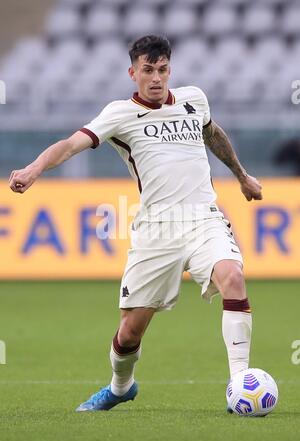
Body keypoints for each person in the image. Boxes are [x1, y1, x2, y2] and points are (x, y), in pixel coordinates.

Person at [9, 35, 262, 412]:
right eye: (148, 70)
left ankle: (241, 384)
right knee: (129, 332)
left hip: (203, 217)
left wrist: (241, 175)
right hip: (156, 229)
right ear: (133, 73)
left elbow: (213, 134)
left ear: (170, 70)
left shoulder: (195, 99)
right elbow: (69, 144)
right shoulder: (119, 114)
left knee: (233, 277)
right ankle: (120, 386)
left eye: (162, 70)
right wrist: (33, 169)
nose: (156, 78)